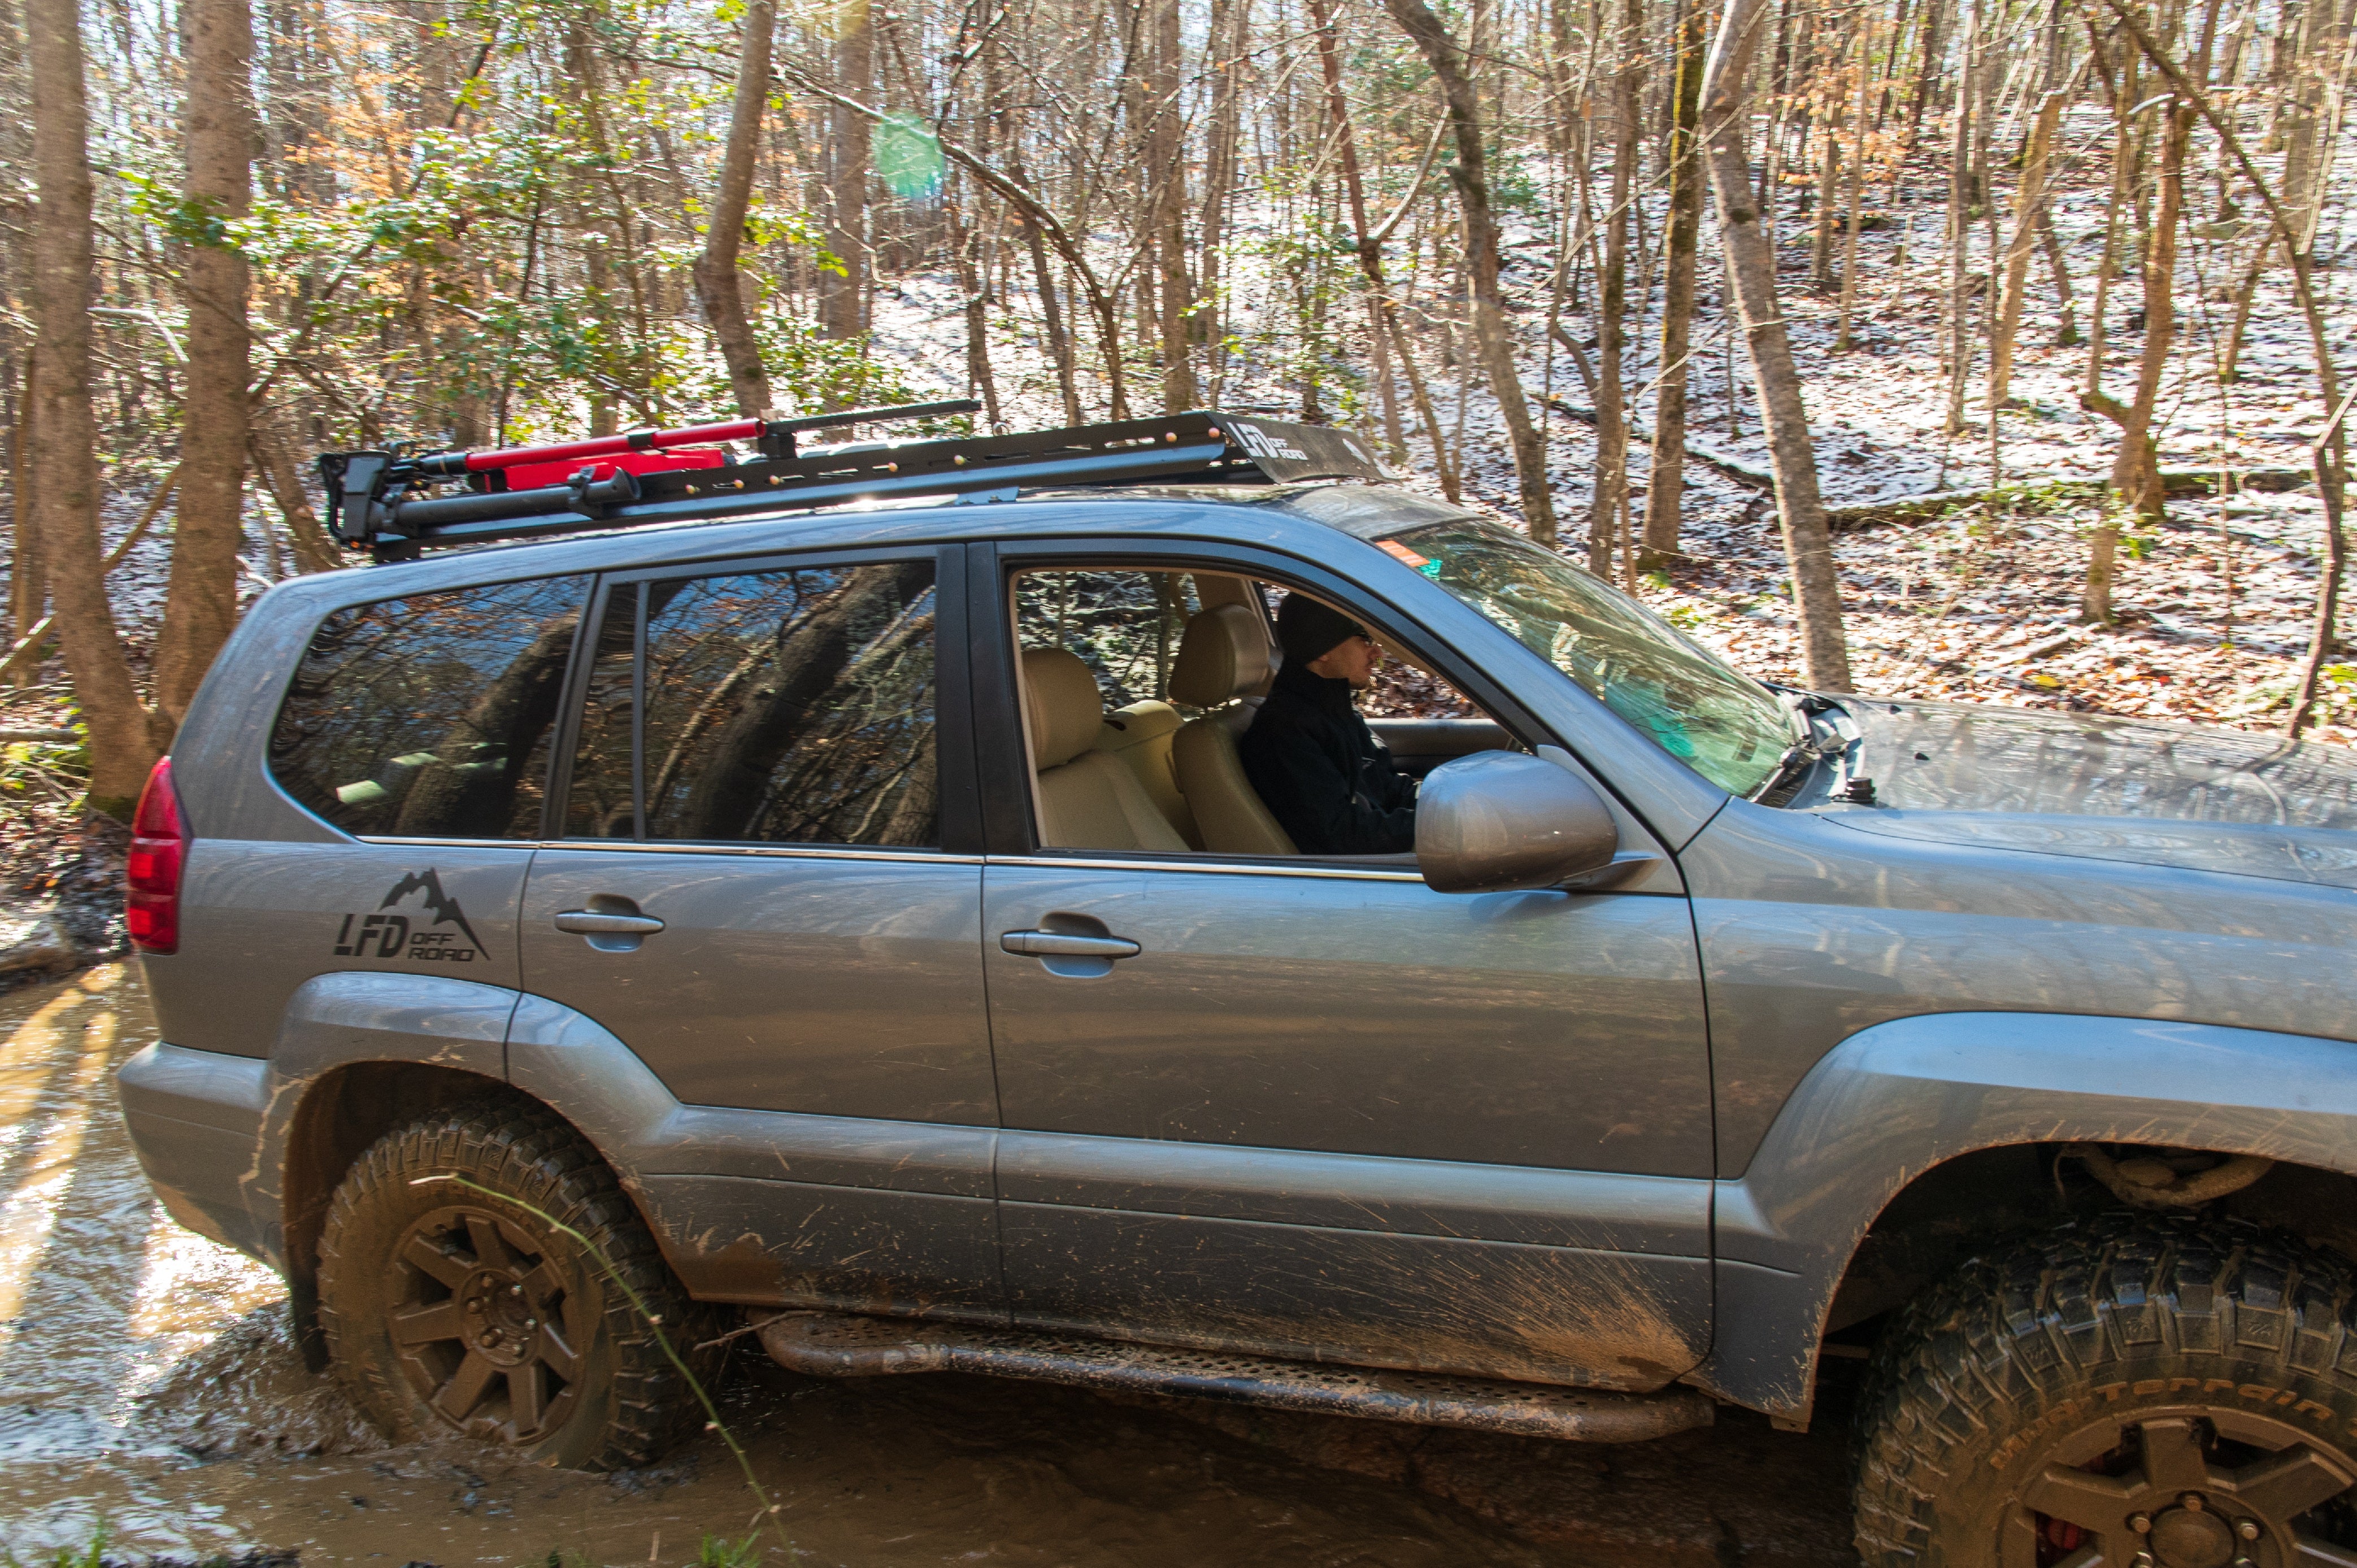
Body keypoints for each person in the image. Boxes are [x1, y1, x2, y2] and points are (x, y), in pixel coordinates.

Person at [1239, 594, 1419, 855]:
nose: (1378, 653)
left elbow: (1388, 789)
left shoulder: (1333, 712)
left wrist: (1450, 807)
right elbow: (1344, 835)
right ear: (1322, 649)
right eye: (1364, 640)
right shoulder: (1283, 732)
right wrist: (1440, 827)